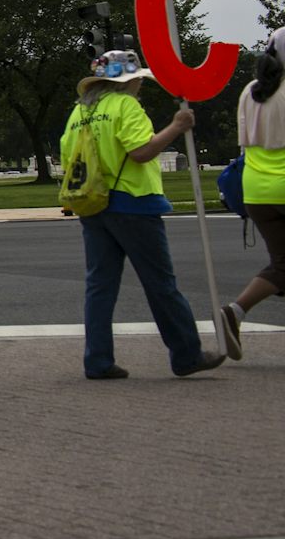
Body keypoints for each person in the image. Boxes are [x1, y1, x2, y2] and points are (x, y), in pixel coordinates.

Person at [63, 48, 224, 381]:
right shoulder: (126, 106)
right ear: (128, 81)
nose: (141, 86)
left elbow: (67, 154)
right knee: (161, 284)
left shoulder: (80, 112)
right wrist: (176, 127)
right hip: (133, 202)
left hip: (93, 202)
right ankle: (186, 354)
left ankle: (97, 359)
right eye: (138, 80)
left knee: (99, 286)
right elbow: (141, 152)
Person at [223, 26, 285, 359]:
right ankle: (235, 311)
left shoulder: (250, 91)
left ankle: (236, 311)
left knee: (282, 265)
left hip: (257, 190)